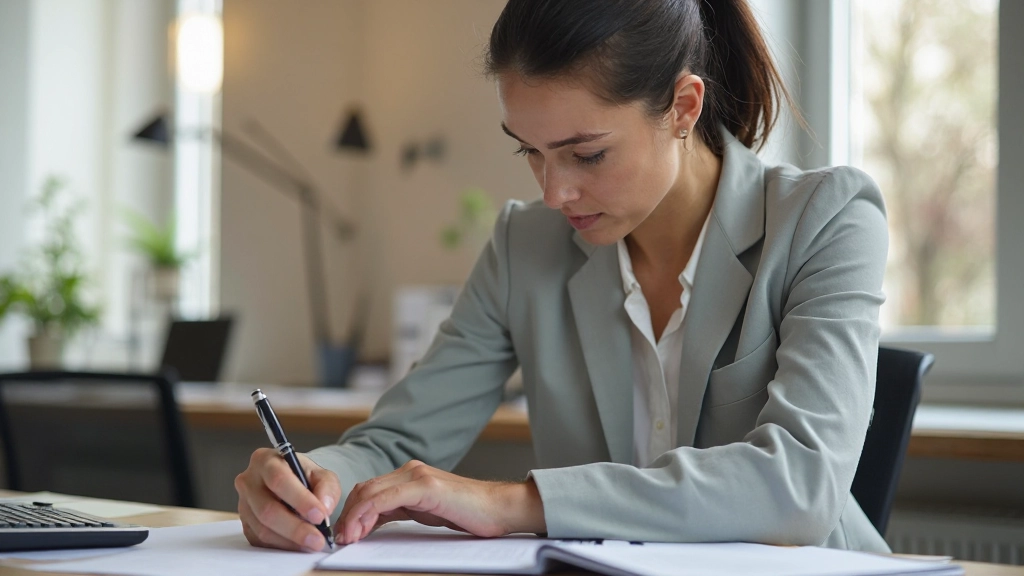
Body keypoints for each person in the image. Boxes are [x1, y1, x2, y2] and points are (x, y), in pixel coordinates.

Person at [234, 0, 890, 554]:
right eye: (531, 151)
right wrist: (314, 481)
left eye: (587, 154)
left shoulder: (826, 220)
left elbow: (800, 486)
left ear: (684, 107)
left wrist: (517, 504)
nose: (554, 193)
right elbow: (397, 441)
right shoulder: (524, 247)